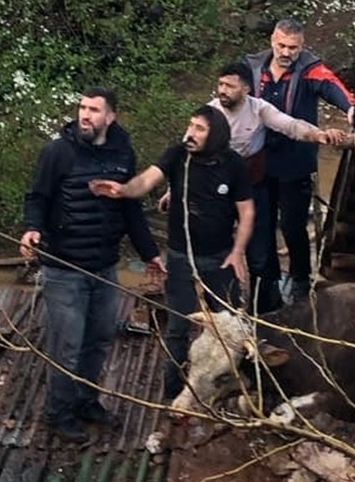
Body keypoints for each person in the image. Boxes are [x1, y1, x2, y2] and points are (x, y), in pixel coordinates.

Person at [20, 87, 164, 443]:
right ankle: (58, 413)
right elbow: (37, 197)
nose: (85, 115)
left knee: (99, 339)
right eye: (82, 108)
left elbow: (131, 209)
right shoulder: (58, 152)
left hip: (104, 266)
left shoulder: (122, 154)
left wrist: (150, 254)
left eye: (94, 110)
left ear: (110, 117)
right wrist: (31, 229)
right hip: (64, 268)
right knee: (66, 345)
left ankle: (86, 401)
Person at [89, 104, 253, 400]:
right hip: (180, 258)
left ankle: (228, 387)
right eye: (190, 126)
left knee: (229, 325)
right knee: (178, 325)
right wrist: (123, 190)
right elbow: (148, 179)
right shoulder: (178, 155)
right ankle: (173, 391)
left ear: (215, 135)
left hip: (221, 258)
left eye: (199, 129)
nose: (190, 133)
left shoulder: (234, 165)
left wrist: (238, 251)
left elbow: (247, 211)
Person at [210, 60, 348, 313]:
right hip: (219, 187)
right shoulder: (209, 114)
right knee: (217, 249)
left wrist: (319, 134)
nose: (222, 90)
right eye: (220, 85)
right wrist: (173, 190)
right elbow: (187, 153)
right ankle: (222, 308)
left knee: (260, 248)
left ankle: (267, 307)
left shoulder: (259, 109)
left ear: (246, 89)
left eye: (229, 86)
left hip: (252, 185)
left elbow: (291, 125)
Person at [244, 17, 355, 303]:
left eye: (293, 47)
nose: (286, 52)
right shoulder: (253, 67)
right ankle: (265, 280)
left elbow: (333, 87)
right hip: (258, 158)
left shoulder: (310, 70)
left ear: (301, 46)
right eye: (282, 45)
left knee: (293, 225)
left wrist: (351, 108)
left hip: (295, 162)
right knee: (260, 223)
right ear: (272, 40)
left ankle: (300, 278)